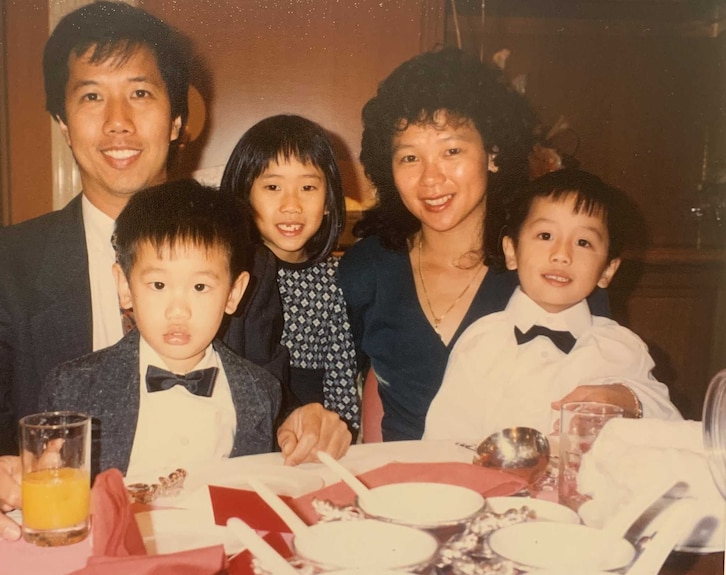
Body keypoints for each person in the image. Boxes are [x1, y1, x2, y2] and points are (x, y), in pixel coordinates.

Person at [0, 1, 349, 536]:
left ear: (177, 121)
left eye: (140, 93)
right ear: (61, 122)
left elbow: (269, 396)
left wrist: (307, 418)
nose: (118, 122)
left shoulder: (245, 259)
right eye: (92, 96)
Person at [338, 47, 615, 441]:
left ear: (493, 153)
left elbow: (614, 382)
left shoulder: (553, 262)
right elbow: (362, 381)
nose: (431, 179)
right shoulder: (366, 268)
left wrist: (627, 398)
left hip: (517, 489)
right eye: (410, 158)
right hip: (400, 490)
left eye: (452, 151)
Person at [422, 169, 683, 443]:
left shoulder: (622, 347)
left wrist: (625, 399)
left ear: (608, 269)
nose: (562, 254)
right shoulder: (480, 342)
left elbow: (670, 428)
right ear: (512, 251)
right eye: (545, 236)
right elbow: (443, 441)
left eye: (583, 242)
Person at [220, 115, 359, 432]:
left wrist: (342, 430)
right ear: (244, 196)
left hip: (308, 427)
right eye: (272, 186)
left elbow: (341, 369)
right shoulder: (228, 273)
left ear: (328, 202)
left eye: (308, 187)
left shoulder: (336, 277)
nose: (292, 205)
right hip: (239, 421)